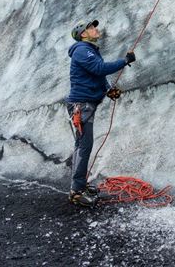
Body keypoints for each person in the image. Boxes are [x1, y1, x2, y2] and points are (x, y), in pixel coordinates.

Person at [66, 18, 135, 207]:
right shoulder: (81, 50)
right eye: (90, 27)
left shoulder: (89, 51)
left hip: (85, 104)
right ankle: (76, 191)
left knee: (82, 145)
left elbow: (98, 74)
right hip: (81, 105)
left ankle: (80, 184)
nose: (95, 29)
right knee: (84, 146)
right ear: (83, 34)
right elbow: (99, 68)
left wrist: (107, 89)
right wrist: (125, 61)